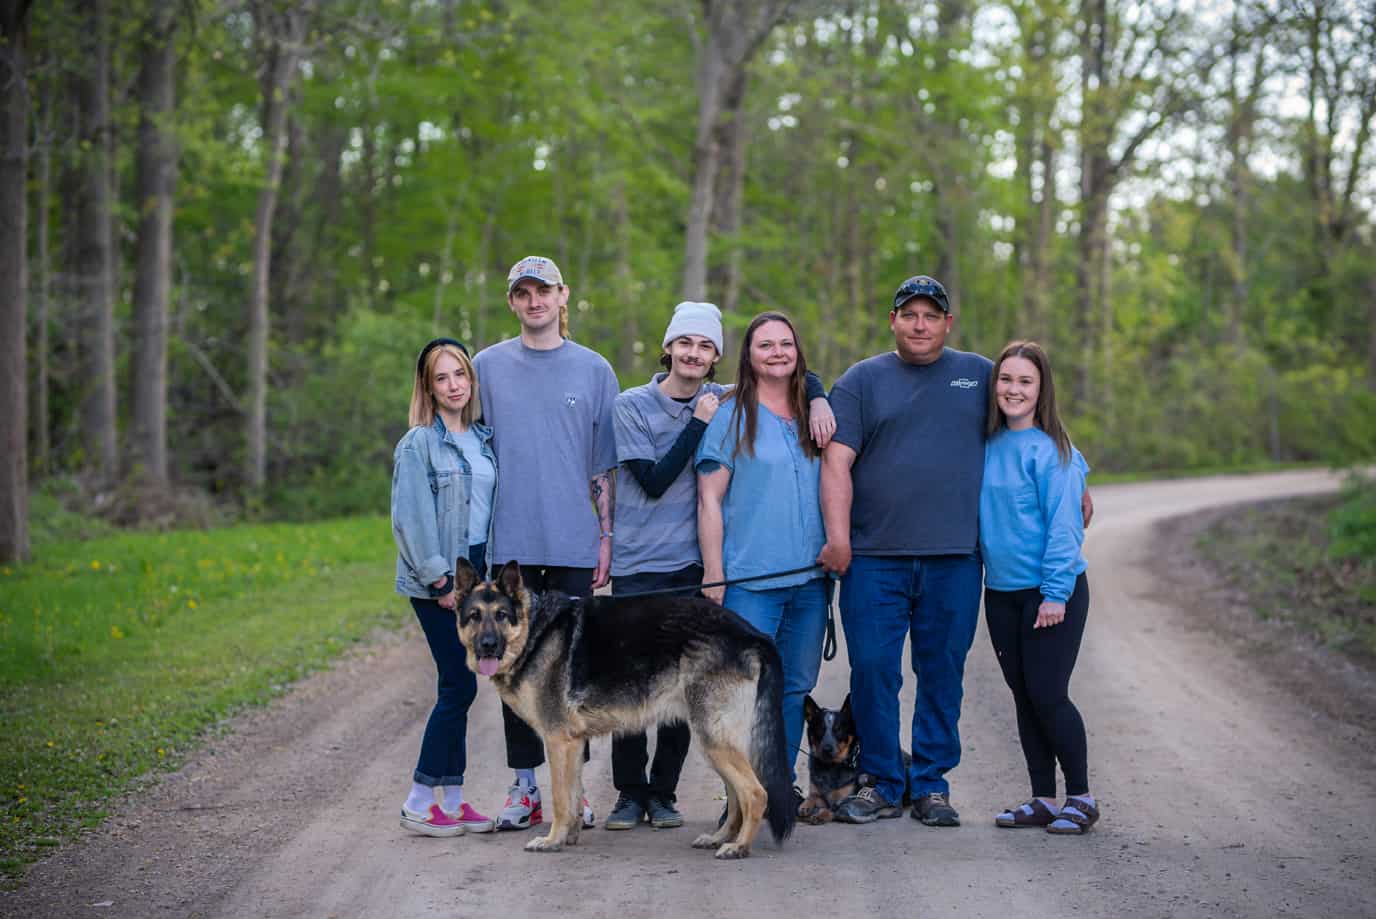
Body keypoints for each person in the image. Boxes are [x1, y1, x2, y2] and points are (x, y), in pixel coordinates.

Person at [820, 277, 1094, 829]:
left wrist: (1077, 472)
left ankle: (930, 786)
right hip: (874, 559)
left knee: (941, 673)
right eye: (909, 315)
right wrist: (839, 537)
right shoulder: (861, 381)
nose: (920, 325)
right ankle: (881, 782)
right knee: (872, 671)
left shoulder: (979, 376)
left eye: (931, 315)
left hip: (955, 561)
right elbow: (835, 462)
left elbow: (1030, 413)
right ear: (893, 321)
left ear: (948, 323)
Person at [604, 303, 835, 831]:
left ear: (716, 358)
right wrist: (700, 421)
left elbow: (787, 371)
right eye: (685, 342)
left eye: (705, 345)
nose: (693, 352)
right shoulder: (641, 405)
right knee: (631, 682)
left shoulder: (728, 397)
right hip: (643, 563)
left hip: (690, 564)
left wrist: (818, 392)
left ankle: (666, 793)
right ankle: (629, 794)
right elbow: (654, 481)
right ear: (668, 347)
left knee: (687, 687)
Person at [473, 255, 617, 832]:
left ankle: (574, 790)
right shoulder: (486, 367)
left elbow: (602, 468)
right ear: (512, 301)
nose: (535, 301)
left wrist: (606, 536)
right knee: (511, 669)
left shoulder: (594, 370)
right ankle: (525, 786)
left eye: (544, 291)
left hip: (573, 544)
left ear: (563, 296)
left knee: (574, 674)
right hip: (508, 547)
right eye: (523, 292)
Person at [696, 311, 830, 799]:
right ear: (748, 357)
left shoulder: (816, 413)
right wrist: (714, 571)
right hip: (751, 583)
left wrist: (819, 397)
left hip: (811, 582)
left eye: (785, 344)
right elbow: (709, 499)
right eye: (765, 345)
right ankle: (741, 795)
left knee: (794, 688)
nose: (777, 353)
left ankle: (780, 788)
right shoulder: (731, 417)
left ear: (798, 352)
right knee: (742, 693)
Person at [980, 341, 1098, 835]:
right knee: (1024, 697)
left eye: (1025, 381)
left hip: (1050, 592)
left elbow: (1065, 529)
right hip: (1000, 593)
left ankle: (1082, 798)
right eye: (1006, 379)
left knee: (1049, 694)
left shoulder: (1055, 452)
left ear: (1042, 389)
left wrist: (1055, 593)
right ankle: (1044, 798)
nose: (1014, 389)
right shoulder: (984, 444)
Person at [392, 337, 497, 837]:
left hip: (476, 575)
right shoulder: (418, 444)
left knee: (461, 685)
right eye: (442, 377)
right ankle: (418, 800)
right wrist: (439, 580)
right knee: (458, 685)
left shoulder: (482, 439)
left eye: (460, 374)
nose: (454, 385)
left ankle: (452, 800)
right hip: (439, 578)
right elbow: (410, 519)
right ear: (428, 388)